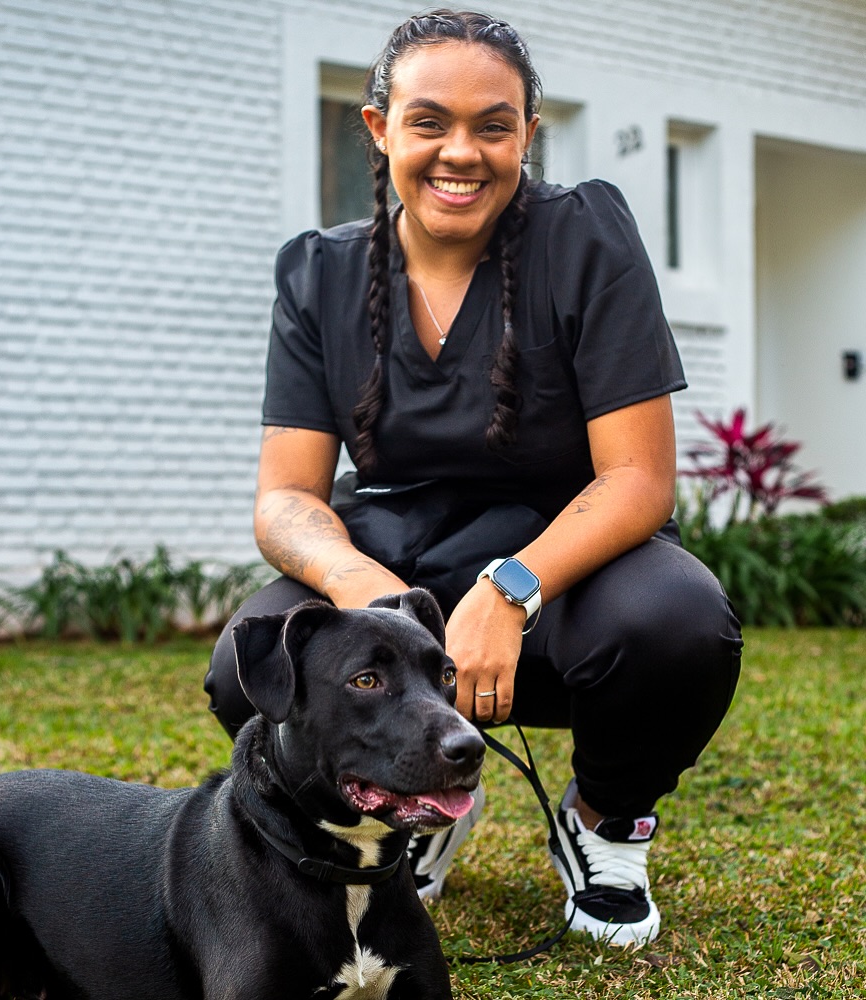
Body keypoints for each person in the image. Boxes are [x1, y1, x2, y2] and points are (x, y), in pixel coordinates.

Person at [205, 9, 742, 948]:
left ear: (527, 135)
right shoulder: (318, 273)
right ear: (380, 129)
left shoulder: (585, 239)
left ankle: (605, 822)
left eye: (494, 125)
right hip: (395, 561)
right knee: (248, 661)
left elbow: (639, 479)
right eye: (429, 121)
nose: (463, 151)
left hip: (570, 571)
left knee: (679, 625)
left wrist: (515, 586)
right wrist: (361, 590)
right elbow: (287, 497)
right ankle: (408, 800)